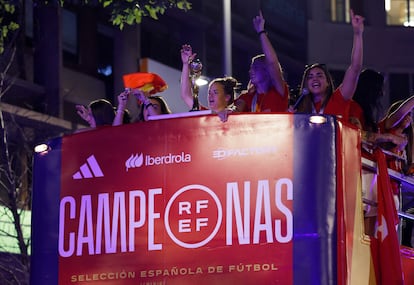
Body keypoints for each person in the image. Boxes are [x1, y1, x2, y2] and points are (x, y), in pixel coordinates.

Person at [294, 9, 364, 121]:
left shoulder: (339, 99)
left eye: (319, 75)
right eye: (310, 77)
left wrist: (357, 34)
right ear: (306, 84)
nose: (315, 79)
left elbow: (355, 68)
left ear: (328, 82)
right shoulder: (300, 109)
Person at [235, 11, 289, 113]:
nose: (251, 71)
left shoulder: (278, 91)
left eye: (256, 67)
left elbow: (273, 63)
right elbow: (235, 111)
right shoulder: (247, 97)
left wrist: (261, 32)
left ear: (267, 70)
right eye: (251, 68)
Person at [180, 44, 239, 122]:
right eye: (209, 93)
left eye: (215, 92)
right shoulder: (205, 114)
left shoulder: (236, 116)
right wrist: (185, 64)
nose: (210, 96)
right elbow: (185, 95)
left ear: (227, 97)